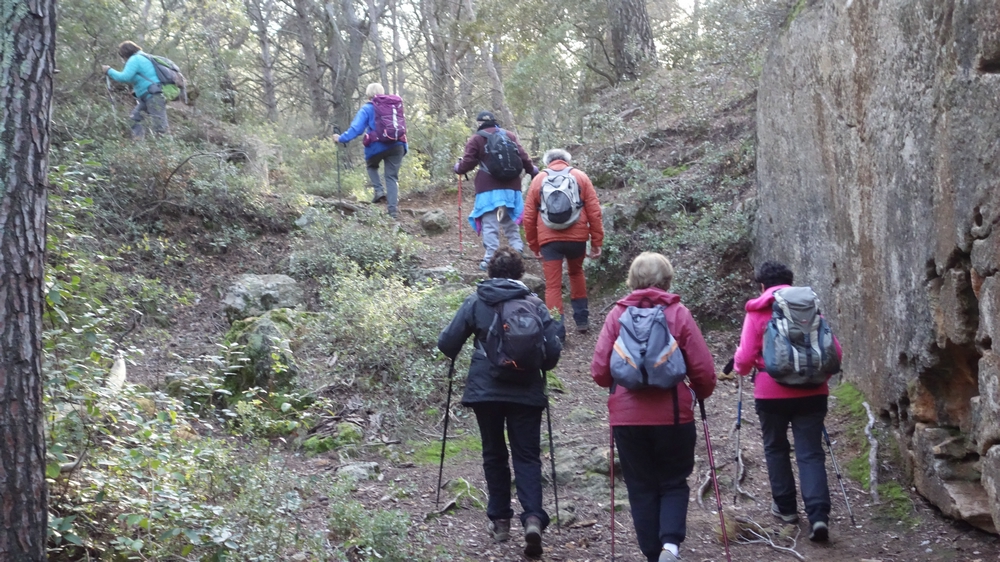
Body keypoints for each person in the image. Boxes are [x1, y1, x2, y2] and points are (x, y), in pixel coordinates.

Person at [437, 247, 562, 559]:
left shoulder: (477, 300)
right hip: (527, 391)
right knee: (528, 457)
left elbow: (447, 343)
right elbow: (552, 356)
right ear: (520, 273)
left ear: (490, 272)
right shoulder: (534, 303)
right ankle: (533, 518)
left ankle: (501, 521)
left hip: (485, 391)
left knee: (494, 453)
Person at [591, 252, 717, 562]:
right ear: (667, 279)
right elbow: (704, 371)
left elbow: (599, 372)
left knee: (640, 485)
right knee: (673, 481)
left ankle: (652, 553)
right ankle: (670, 547)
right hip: (674, 415)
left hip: (627, 418)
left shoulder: (617, 315)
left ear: (632, 280)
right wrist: (699, 394)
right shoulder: (679, 314)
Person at [731, 261, 842, 542]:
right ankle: (818, 516)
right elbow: (834, 351)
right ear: (790, 283)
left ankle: (786, 509)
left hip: (771, 393)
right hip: (813, 392)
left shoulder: (757, 311)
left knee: (776, 448)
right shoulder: (810, 307)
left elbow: (743, 361)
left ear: (762, 285)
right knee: (811, 453)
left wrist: (740, 368)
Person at [523, 149, 603, 333]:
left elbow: (528, 217)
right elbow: (595, 212)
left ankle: (557, 332)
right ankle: (582, 320)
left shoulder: (537, 180)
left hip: (549, 240)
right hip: (577, 238)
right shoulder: (580, 177)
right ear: (567, 160)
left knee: (552, 285)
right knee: (576, 273)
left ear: (547, 162)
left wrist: (534, 245)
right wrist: (596, 241)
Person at [454, 111, 536, 270]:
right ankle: (517, 250)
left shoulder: (476, 139)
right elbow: (524, 157)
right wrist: (534, 172)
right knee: (509, 220)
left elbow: (467, 164)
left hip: (488, 190)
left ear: (479, 123)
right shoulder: (509, 136)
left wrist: (458, 168)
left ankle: (490, 258)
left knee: (490, 224)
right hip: (511, 188)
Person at [333, 83, 407, 219]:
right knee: (391, 177)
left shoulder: (367, 108)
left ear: (368, 95)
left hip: (377, 146)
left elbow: (357, 129)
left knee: (371, 165)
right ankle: (393, 212)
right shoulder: (394, 106)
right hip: (398, 145)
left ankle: (378, 190)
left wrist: (341, 138)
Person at [103, 41, 168, 139]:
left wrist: (109, 71)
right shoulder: (143, 57)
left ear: (125, 53)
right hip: (149, 96)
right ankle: (138, 144)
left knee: (159, 125)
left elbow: (124, 77)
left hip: (153, 96)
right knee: (135, 118)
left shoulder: (135, 59)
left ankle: (166, 149)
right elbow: (142, 76)